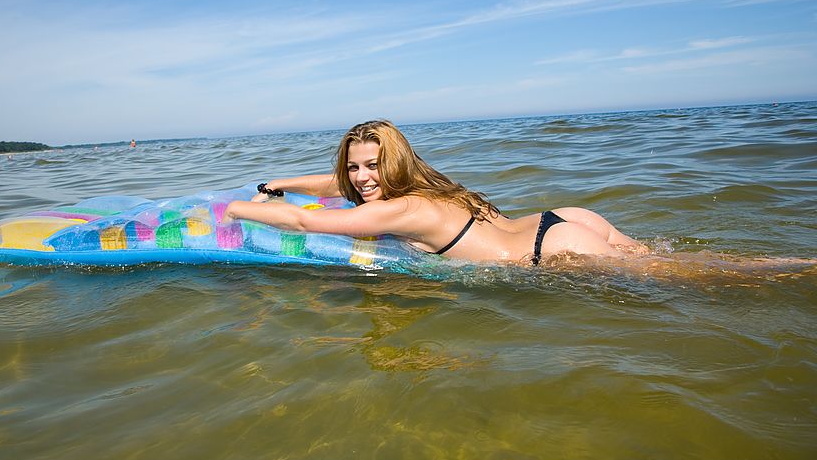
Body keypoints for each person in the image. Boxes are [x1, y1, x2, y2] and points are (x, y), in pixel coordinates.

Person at [222, 119, 647, 265]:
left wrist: (237, 208)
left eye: (373, 165)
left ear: (393, 164)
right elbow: (341, 183)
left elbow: (305, 220)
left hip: (548, 252)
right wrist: (276, 184)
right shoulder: (423, 181)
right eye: (355, 166)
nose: (363, 177)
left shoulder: (398, 210)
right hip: (560, 221)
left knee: (692, 284)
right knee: (676, 265)